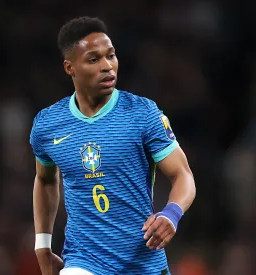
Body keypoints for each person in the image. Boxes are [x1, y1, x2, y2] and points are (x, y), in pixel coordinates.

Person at [30, 16, 196, 275]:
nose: (108, 66)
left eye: (111, 56)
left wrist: (171, 215)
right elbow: (46, 180)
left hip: (142, 262)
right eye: (94, 59)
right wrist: (42, 244)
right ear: (69, 67)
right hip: (83, 261)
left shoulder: (142, 114)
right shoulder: (48, 125)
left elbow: (183, 175)